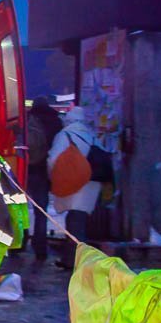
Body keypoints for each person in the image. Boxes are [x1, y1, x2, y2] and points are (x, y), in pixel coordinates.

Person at [48, 106, 102, 269]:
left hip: (74, 181)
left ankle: (77, 262)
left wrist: (53, 178)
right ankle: (74, 259)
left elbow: (53, 160)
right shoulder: (92, 134)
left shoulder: (65, 135)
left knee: (74, 222)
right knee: (79, 219)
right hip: (91, 182)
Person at [26, 97, 63, 262]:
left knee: (20, 207)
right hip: (44, 170)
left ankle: (18, 242)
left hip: (27, 168)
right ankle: (40, 246)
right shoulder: (55, 121)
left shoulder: (27, 119)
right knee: (41, 209)